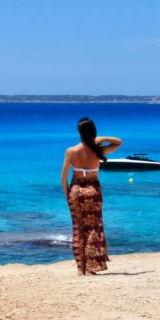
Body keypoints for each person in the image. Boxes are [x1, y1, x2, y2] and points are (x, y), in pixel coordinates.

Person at [60, 117, 123, 275]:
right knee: (93, 229)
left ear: (79, 132)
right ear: (94, 132)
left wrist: (68, 195)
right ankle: (91, 267)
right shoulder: (98, 150)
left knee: (78, 229)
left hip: (76, 191)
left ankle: (81, 268)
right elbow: (118, 142)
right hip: (93, 191)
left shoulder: (71, 151)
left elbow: (63, 178)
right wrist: (103, 138)